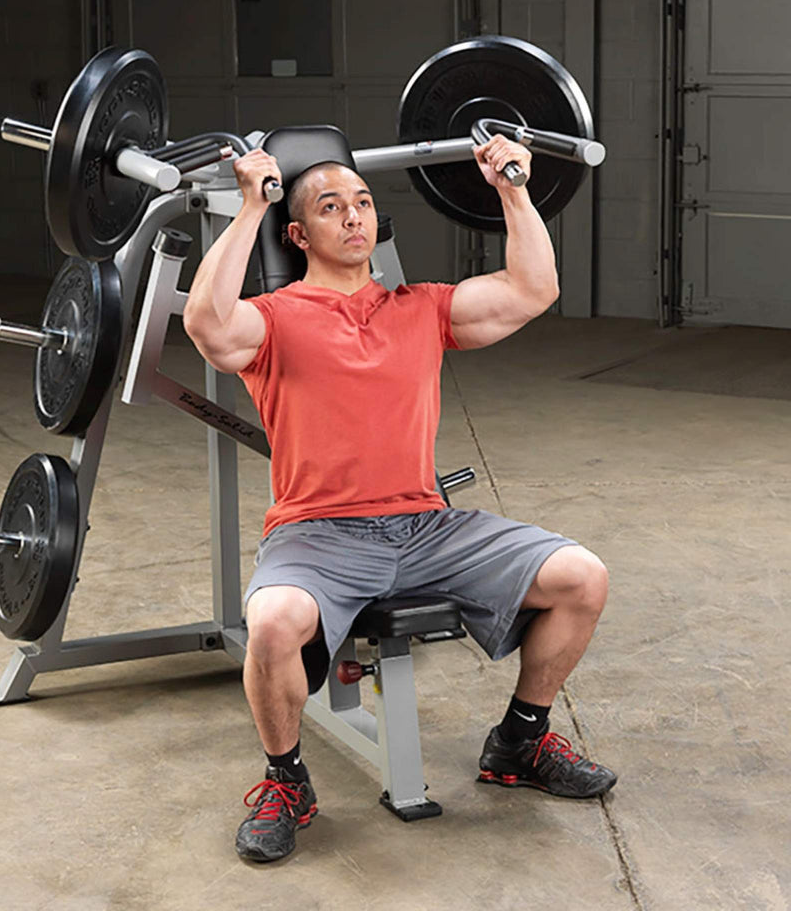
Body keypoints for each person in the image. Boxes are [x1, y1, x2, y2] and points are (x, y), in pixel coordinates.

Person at [182, 135, 616, 863]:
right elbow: (205, 325)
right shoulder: (276, 318)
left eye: (362, 204)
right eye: (330, 207)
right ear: (299, 234)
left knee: (583, 577)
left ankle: (520, 740)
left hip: (424, 527)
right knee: (274, 622)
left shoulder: (422, 308)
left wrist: (512, 189)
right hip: (316, 533)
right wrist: (250, 207)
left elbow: (534, 289)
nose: (353, 217)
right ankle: (287, 781)